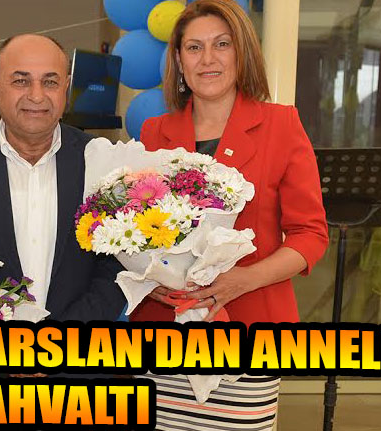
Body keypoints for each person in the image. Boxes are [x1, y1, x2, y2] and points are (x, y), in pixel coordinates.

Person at [130, 0, 329, 429]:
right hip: (162, 333)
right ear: (178, 61)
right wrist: (149, 282)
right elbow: (133, 232)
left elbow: (310, 235)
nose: (208, 59)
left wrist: (243, 280)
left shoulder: (282, 125)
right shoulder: (153, 133)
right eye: (194, 47)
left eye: (222, 44)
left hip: (250, 330)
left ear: (242, 53)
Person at [0, 34, 125, 323]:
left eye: (50, 82)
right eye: (21, 81)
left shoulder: (102, 161)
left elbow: (115, 268)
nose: (36, 95)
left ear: (66, 88)